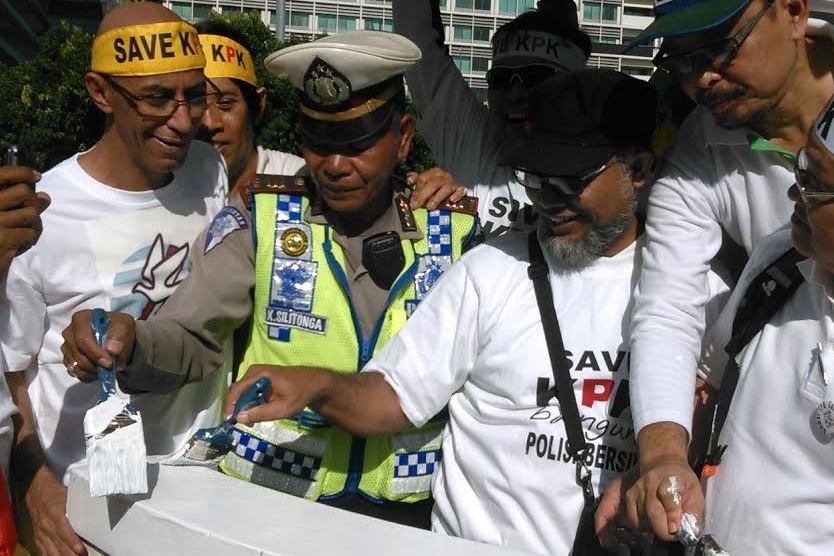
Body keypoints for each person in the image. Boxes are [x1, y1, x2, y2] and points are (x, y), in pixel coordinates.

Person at [205, 69, 727, 556]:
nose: (548, 200)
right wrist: (317, 385)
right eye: (534, 178)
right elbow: (393, 397)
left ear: (638, 170)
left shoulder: (700, 297)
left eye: (570, 180)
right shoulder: (490, 271)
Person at [60, 30, 479, 529]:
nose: (335, 165)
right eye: (318, 143)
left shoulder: (456, 234)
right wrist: (131, 345)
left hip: (406, 520)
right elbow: (190, 335)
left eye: (357, 144)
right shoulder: (260, 219)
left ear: (404, 137)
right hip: (269, 509)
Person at [0, 4, 229, 555]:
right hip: (87, 518)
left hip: (203, 502)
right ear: (100, 93)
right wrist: (35, 489)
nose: (183, 120)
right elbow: (11, 374)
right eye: (156, 98)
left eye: (195, 95)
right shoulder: (43, 217)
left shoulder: (210, 171)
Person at [608, 0, 834, 541]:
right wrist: (663, 456)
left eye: (720, 48)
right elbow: (667, 308)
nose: (701, 79)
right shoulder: (701, 151)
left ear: (793, 12)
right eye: (680, 61)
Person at [678, 97, 834, 553]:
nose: (793, 194)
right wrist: (668, 466)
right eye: (800, 168)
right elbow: (709, 383)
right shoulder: (781, 260)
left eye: (814, 184)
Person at [393, 0, 591, 238]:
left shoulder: (608, 172)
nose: (515, 94)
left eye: (535, 78)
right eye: (501, 80)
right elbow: (416, 33)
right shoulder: (469, 137)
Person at [195, 20, 305, 198]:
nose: (209, 123)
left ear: (258, 105)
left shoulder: (299, 180)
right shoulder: (160, 191)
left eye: (225, 103)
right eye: (196, 104)